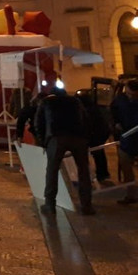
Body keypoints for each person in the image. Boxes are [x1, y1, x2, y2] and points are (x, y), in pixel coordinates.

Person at [35, 82, 94, 215]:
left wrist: (43, 142)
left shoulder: (46, 102)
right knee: (83, 170)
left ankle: (50, 204)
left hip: (56, 138)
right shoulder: (76, 101)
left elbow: (38, 123)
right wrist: (86, 137)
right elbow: (86, 119)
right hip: (78, 137)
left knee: (52, 170)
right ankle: (87, 205)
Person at [76, 90, 113, 186]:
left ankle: (88, 177)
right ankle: (102, 175)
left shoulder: (84, 111)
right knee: (99, 155)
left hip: (93, 136)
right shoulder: (94, 109)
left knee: (88, 156)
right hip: (97, 136)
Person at [110, 79, 138, 205]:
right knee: (127, 168)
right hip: (126, 138)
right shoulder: (120, 99)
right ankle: (131, 195)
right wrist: (116, 123)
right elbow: (112, 111)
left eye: (133, 94)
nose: (130, 96)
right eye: (128, 94)